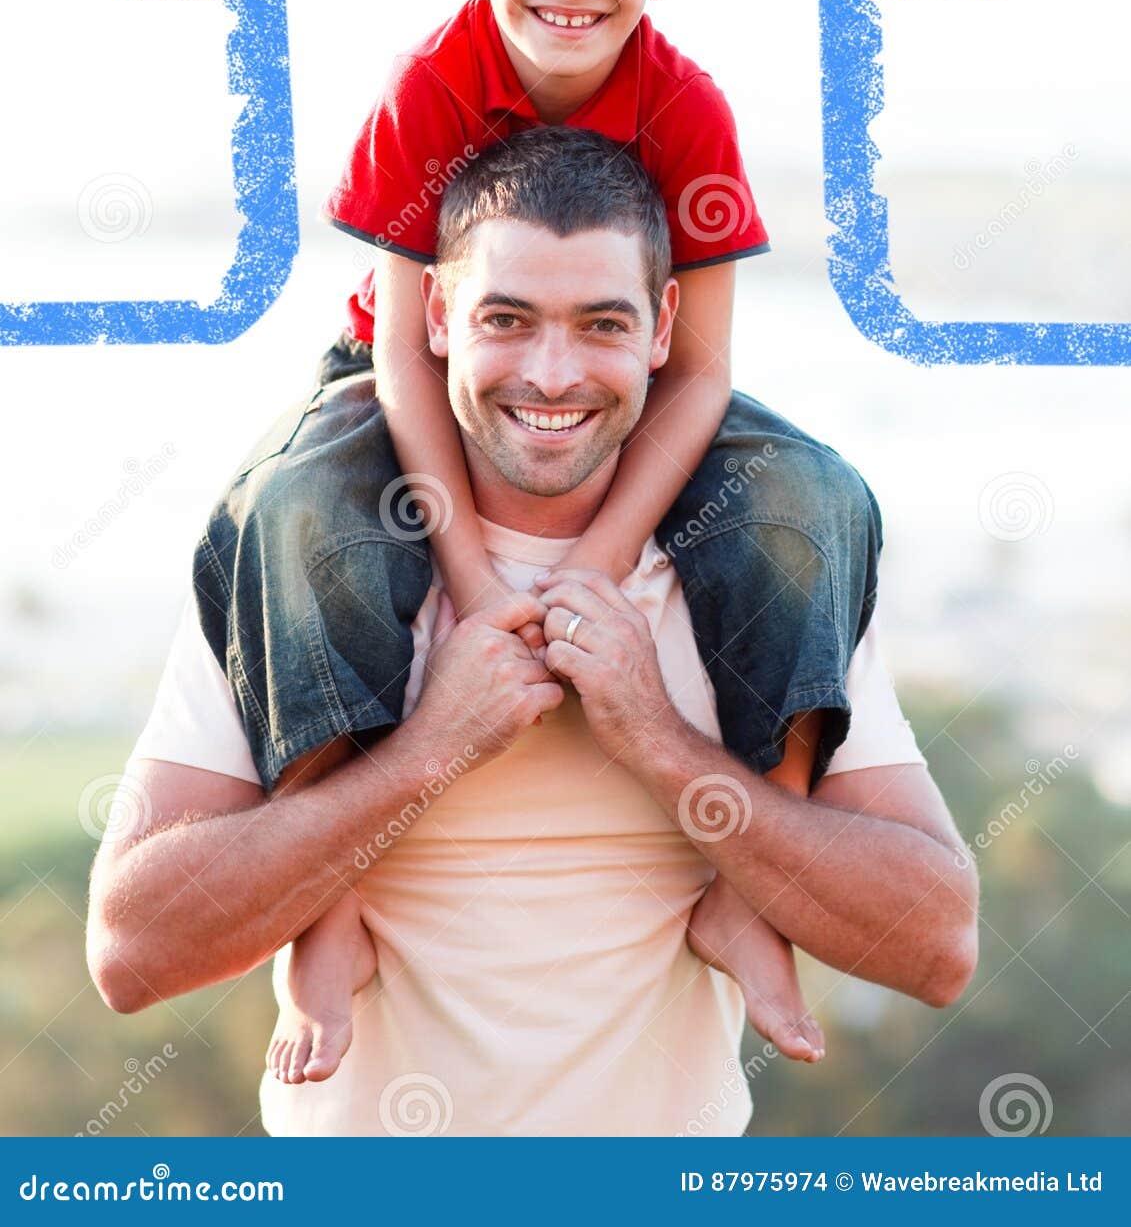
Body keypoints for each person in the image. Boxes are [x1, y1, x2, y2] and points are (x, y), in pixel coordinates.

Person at [192, 0, 881, 1079]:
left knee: (814, 502)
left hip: (633, 384)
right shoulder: (428, 89)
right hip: (403, 371)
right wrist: (471, 575)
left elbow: (699, 372)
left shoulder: (685, 109)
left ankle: (752, 881)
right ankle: (324, 914)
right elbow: (399, 352)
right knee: (289, 515)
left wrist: (592, 569)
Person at [87, 131, 978, 1139]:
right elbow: (134, 949)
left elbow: (935, 940)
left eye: (602, 323)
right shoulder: (315, 555)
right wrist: (427, 753)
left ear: (662, 327)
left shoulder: (757, 565)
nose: (553, 375)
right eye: (506, 319)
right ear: (435, 317)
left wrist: (660, 742)